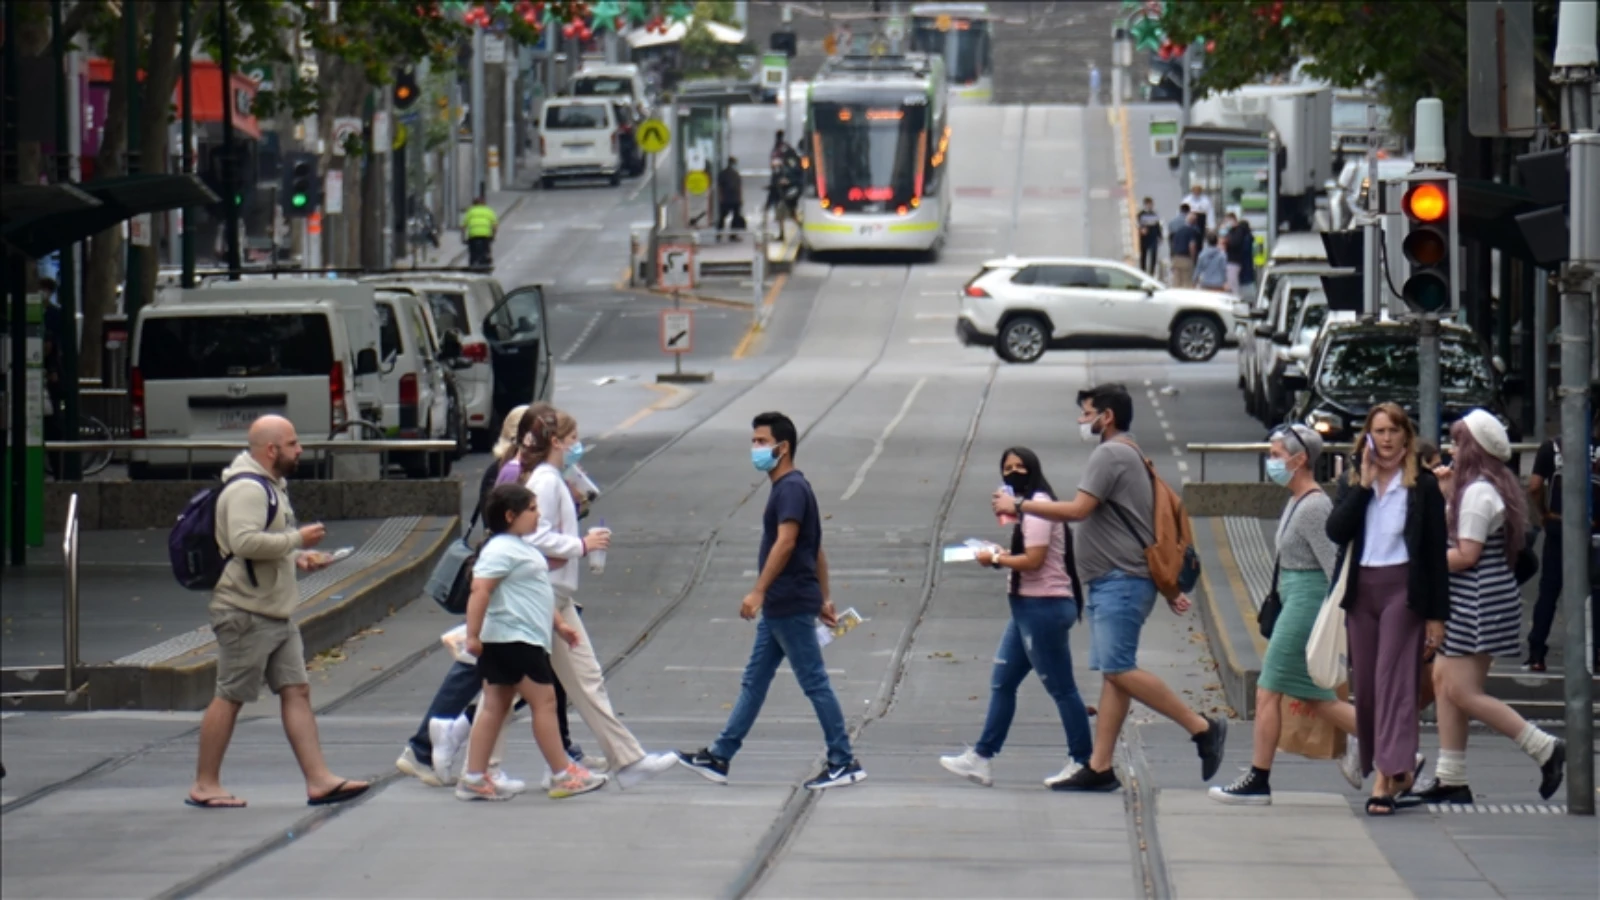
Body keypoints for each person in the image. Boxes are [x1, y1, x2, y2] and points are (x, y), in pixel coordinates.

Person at [991, 384, 1227, 792]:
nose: (1083, 421)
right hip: (1115, 580)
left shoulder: (1110, 453)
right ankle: (1100, 767)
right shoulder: (1129, 453)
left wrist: (1022, 505)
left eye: (1087, 414)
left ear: (1107, 417)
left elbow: (1079, 510)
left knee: (1118, 668)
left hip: (1121, 579)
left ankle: (1202, 727)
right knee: (1114, 674)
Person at [187, 416, 370, 809]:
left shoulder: (271, 486)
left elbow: (265, 543)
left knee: (297, 690)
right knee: (231, 694)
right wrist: (296, 539)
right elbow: (243, 541)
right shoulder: (249, 489)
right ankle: (205, 783)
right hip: (246, 610)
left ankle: (319, 779)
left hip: (274, 610)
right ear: (271, 450)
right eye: (292, 443)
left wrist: (298, 555)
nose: (299, 450)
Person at [677, 412, 867, 790]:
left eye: (761, 442)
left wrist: (759, 590)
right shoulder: (789, 488)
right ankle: (720, 755)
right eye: (754, 441)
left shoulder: (790, 489)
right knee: (755, 681)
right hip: (789, 602)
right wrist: (824, 597)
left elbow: (788, 542)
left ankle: (843, 760)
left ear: (783, 447)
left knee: (814, 682)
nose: (755, 448)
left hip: (787, 602)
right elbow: (817, 550)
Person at [516, 406, 678, 788]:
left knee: (585, 678)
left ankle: (626, 758)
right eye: (573, 440)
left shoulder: (555, 479)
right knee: (504, 688)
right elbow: (531, 536)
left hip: (556, 596)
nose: (578, 446)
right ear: (555, 442)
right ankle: (457, 744)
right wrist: (581, 545)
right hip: (543, 594)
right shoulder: (545, 482)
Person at [1415, 411, 1566, 803]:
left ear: (1474, 450)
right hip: (1474, 597)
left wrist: (1422, 559)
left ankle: (1543, 746)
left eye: (1458, 442)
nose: (1450, 449)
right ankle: (1451, 777)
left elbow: (1466, 554)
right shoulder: (1478, 488)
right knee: (1445, 684)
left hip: (1475, 599)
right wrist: (1448, 496)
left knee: (1461, 690)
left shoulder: (1479, 492)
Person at [397, 405, 548, 789]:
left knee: (502, 679)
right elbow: (509, 529)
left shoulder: (515, 471)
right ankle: (441, 747)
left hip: (518, 586)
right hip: (506, 586)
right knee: (487, 668)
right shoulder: (511, 473)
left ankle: (448, 748)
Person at [1210, 426, 1360, 805]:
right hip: (1294, 597)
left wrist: (1337, 622)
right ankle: (1398, 753)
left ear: (1300, 459)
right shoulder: (1296, 501)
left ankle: (1258, 779)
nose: (1272, 461)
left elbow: (1333, 567)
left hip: (1306, 604)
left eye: (1277, 454)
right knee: (1315, 698)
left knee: (1268, 689)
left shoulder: (1314, 506)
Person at [939, 448, 1093, 788]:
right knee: (1003, 682)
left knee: (1062, 688)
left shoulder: (1037, 508)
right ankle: (981, 757)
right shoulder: (1034, 507)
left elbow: (1035, 560)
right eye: (1007, 468)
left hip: (1043, 610)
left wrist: (997, 559)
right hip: (1028, 609)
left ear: (1033, 470)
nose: (1013, 473)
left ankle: (1083, 761)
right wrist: (1005, 554)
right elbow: (1032, 556)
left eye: (1020, 467)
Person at [1325, 402, 1448, 816]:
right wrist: (1363, 486)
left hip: (1403, 590)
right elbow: (1335, 531)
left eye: (1394, 431)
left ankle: (1384, 777)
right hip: (1362, 592)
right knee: (1369, 690)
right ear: (1368, 437)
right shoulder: (1355, 481)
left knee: (1393, 680)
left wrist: (1436, 616)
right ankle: (1401, 769)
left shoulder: (1423, 486)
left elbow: (1434, 553)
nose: (1388, 439)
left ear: (1406, 437)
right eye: (1380, 431)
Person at [457, 484, 608, 801]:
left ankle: (474, 776)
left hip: (511, 638)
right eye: (532, 509)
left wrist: (560, 624)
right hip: (516, 638)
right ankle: (562, 773)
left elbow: (535, 590)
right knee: (545, 703)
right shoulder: (501, 549)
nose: (538, 514)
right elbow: (480, 589)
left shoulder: (520, 547)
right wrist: (471, 635)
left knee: (496, 706)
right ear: (511, 515)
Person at [1525, 414, 1600, 672]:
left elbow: (1534, 486)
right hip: (1593, 529)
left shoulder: (1552, 447)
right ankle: (1596, 652)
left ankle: (1536, 653)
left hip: (1558, 524)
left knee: (1549, 590)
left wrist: (1544, 513)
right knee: (1595, 590)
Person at [1222, 213, 1256, 297]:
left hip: (1237, 265)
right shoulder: (1248, 237)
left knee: (1235, 288)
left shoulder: (1240, 235)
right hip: (1246, 270)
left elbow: (1234, 244)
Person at [462, 195, 498, 268]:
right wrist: (493, 236)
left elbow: (463, 226)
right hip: (485, 234)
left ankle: (472, 264)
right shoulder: (489, 211)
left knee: (473, 251)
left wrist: (463, 237)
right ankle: (486, 260)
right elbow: (495, 225)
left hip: (473, 234)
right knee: (486, 249)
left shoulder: (470, 211)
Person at [1168, 212, 1200, 288]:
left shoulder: (1179, 231)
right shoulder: (1192, 231)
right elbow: (1192, 245)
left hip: (1176, 258)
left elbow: (1173, 245)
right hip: (1186, 258)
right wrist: (1193, 258)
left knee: (1176, 283)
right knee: (1187, 283)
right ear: (1194, 222)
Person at [717, 157, 746, 241]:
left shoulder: (723, 173)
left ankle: (719, 235)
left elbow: (720, 187)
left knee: (723, 217)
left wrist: (721, 197)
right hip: (733, 199)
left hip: (727, 199)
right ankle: (732, 235)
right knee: (734, 217)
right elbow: (739, 188)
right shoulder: (735, 174)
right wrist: (740, 199)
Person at [1137, 198, 1163, 276]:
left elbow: (1158, 225)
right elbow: (1137, 224)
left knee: (1154, 254)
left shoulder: (1155, 214)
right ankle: (1143, 271)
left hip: (1153, 237)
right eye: (1148, 204)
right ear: (1145, 204)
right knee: (1144, 254)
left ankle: (1152, 271)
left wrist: (1160, 236)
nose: (1150, 206)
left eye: (1151, 204)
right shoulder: (1141, 214)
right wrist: (1142, 229)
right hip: (1144, 238)